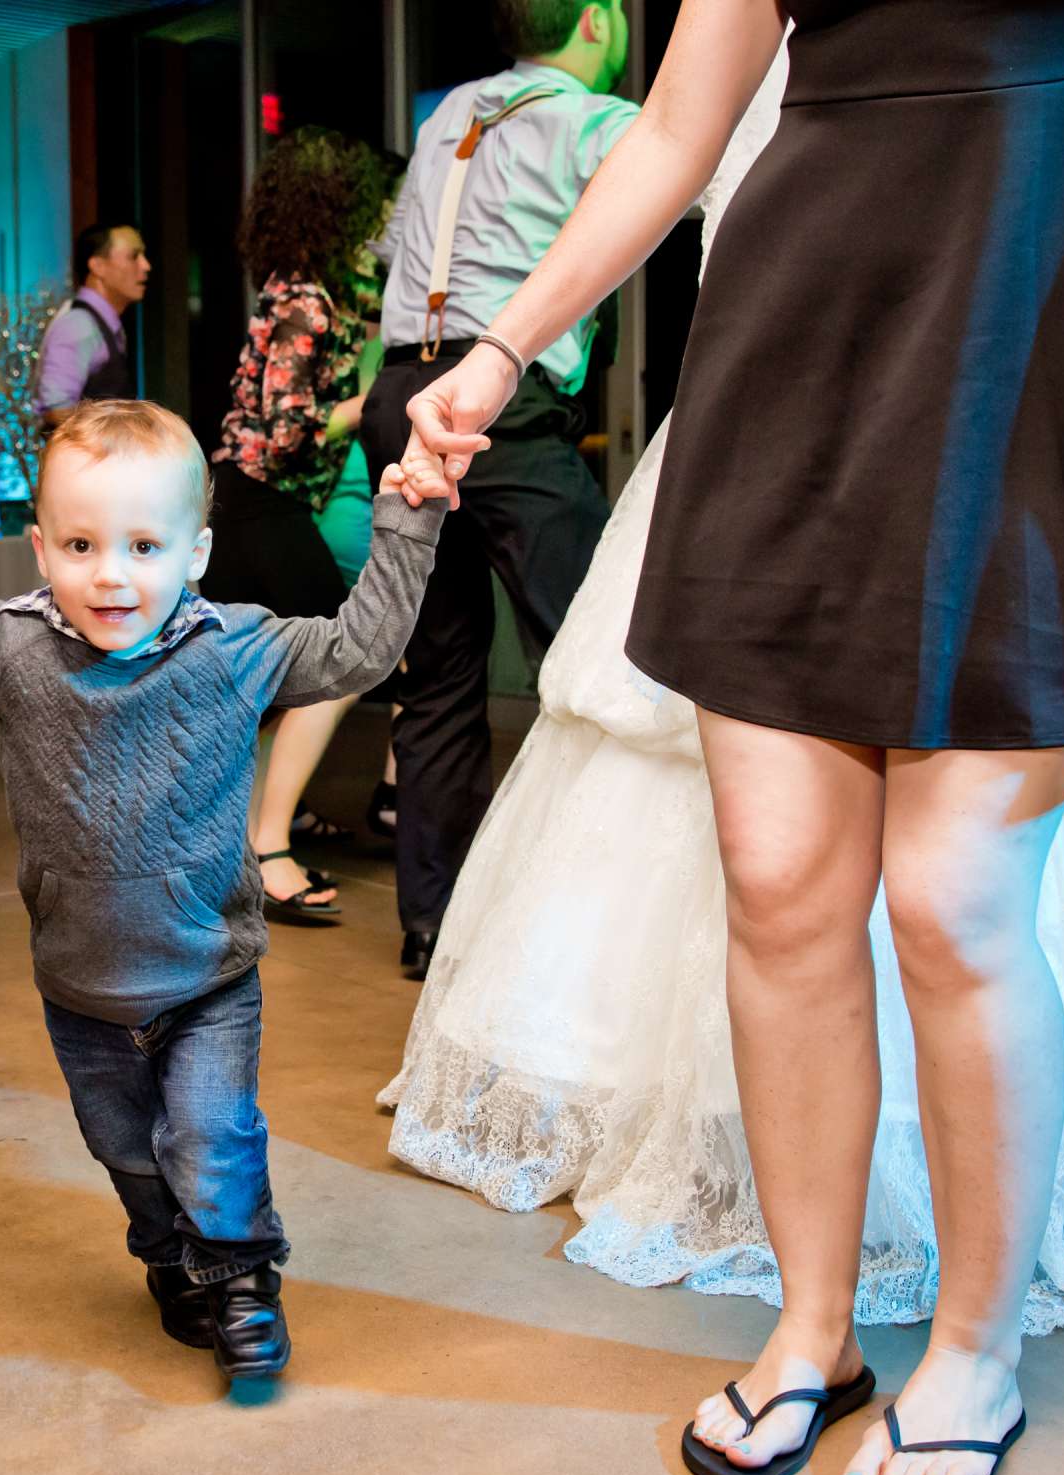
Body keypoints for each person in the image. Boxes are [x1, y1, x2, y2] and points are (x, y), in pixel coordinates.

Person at [394, 0, 1064, 1475]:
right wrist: (501, 349)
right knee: (781, 883)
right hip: (801, 321)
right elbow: (683, 122)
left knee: (956, 901)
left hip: (1041, 295)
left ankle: (974, 1349)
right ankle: (813, 1329)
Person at [0, 400, 443, 1384]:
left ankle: (239, 1279)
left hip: (207, 978)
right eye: (82, 544)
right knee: (127, 1152)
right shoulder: (14, 646)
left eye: (146, 545)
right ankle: (169, 1259)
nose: (112, 574)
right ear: (42, 545)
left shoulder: (236, 648)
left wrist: (408, 522)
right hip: (79, 984)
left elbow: (358, 648)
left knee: (211, 1137)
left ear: (196, 552)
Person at [360, 0, 635, 979]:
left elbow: (393, 255)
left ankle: (435, 928)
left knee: (436, 683)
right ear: (598, 20)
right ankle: (615, 909)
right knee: (600, 655)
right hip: (497, 407)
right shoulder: (594, 121)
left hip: (402, 391)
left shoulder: (448, 116)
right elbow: (703, 182)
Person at [199, 127, 396, 922]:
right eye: (377, 204)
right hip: (257, 499)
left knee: (260, 689)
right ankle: (266, 849)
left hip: (257, 501)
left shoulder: (318, 290)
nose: (387, 216)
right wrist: (373, 405)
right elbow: (286, 431)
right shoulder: (302, 300)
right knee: (339, 666)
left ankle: (243, 841)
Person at [37, 223, 151, 423]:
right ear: (98, 266)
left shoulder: (100, 323)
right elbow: (55, 411)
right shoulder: (79, 325)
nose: (146, 266)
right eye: (133, 256)